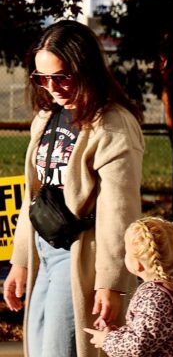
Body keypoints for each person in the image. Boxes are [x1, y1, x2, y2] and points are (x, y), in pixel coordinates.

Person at [3, 20, 144, 357]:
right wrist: (20, 260)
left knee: (59, 351)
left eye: (62, 77)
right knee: (37, 348)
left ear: (85, 69)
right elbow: (34, 196)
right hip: (43, 250)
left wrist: (110, 284)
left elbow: (119, 214)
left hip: (82, 254)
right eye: (42, 78)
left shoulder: (112, 126)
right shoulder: (47, 116)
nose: (52, 87)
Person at [83, 217, 173, 356]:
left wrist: (106, 340)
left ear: (137, 264)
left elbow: (140, 345)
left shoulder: (153, 297)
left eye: (126, 252)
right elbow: (154, 335)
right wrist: (121, 334)